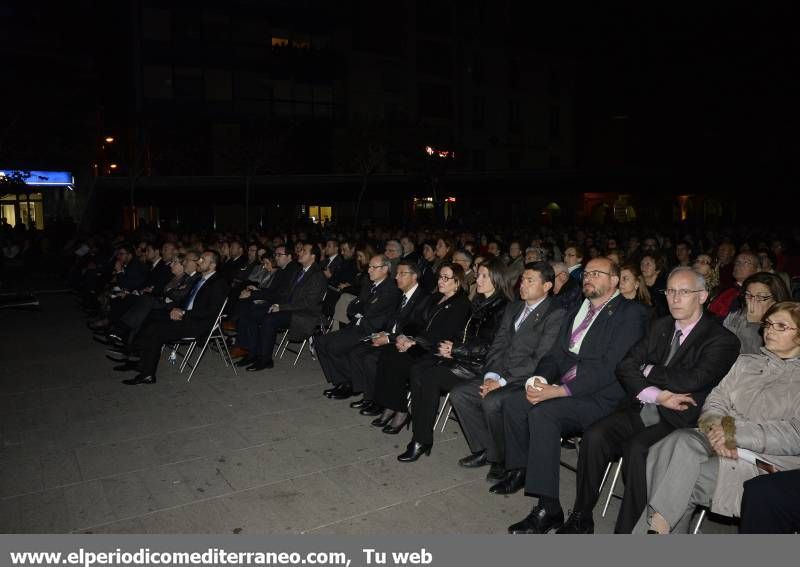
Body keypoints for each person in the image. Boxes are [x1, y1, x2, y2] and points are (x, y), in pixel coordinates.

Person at [557, 267, 741, 534]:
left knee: (638, 450)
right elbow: (624, 366)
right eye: (670, 291)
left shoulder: (721, 339)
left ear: (702, 296)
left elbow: (693, 380)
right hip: (645, 404)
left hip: (679, 419)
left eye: (684, 292)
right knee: (595, 436)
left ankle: (628, 532)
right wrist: (658, 394)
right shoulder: (661, 325)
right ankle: (581, 515)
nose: (675, 298)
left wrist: (649, 370)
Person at [499, 257, 648, 534]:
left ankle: (548, 509)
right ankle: (529, 481)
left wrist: (558, 391)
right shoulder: (578, 308)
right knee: (517, 402)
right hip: (567, 389)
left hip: (603, 397)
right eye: (586, 272)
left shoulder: (630, 313)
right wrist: (540, 380)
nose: (588, 277)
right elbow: (555, 354)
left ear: (615, 280)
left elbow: (611, 367)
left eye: (596, 273)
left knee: (543, 413)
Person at [634, 301, 800, 534]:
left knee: (674, 473)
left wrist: (736, 435)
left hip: (762, 461)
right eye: (769, 324)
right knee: (675, 442)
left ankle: (655, 531)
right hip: (719, 436)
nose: (770, 330)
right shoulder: (745, 363)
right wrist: (723, 432)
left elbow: (794, 433)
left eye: (781, 326)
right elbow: (715, 401)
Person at [450, 262, 565, 480]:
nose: (523, 284)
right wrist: (491, 376)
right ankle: (488, 450)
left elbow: (539, 359)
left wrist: (501, 382)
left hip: (525, 379)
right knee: (460, 394)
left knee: (492, 401)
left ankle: (504, 461)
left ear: (547, 285)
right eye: (522, 279)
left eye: (530, 280)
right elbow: (498, 345)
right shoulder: (513, 307)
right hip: (500, 374)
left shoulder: (555, 314)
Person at [397, 258, 511, 462]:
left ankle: (421, 440)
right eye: (479, 274)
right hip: (464, 358)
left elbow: (492, 346)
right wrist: (452, 347)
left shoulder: (503, 307)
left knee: (430, 376)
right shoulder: (480, 301)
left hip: (480, 367)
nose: (479, 278)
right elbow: (465, 333)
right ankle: (419, 431)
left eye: (484, 275)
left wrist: (456, 349)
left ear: (497, 278)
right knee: (418, 369)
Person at [371, 263, 472, 434]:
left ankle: (401, 411)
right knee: (388, 353)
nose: (440, 280)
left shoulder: (461, 305)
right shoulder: (434, 298)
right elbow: (415, 322)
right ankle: (390, 404)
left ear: (457, 282)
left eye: (446, 278)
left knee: (398, 360)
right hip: (419, 344)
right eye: (440, 276)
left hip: (434, 351)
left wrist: (414, 342)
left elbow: (443, 335)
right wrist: (405, 336)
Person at [122, 250, 229, 385]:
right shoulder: (201, 279)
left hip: (197, 324)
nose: (199, 261)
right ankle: (140, 361)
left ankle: (147, 374)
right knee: (151, 317)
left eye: (203, 260)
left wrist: (184, 313)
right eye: (200, 258)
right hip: (186, 317)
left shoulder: (218, 283)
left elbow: (211, 312)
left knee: (157, 330)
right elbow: (188, 300)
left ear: (213, 265)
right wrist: (177, 309)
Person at [316, 254, 400, 399]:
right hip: (358, 325)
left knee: (334, 346)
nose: (369, 270)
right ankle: (343, 381)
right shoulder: (369, 283)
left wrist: (362, 308)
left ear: (385, 269)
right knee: (321, 342)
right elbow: (352, 308)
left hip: (372, 330)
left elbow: (368, 310)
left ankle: (350, 384)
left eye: (374, 267)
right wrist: (362, 308)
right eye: (369, 267)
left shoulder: (391, 288)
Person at [235, 243, 326, 371]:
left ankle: (265, 359)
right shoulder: (300, 270)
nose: (299, 253)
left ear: (313, 256)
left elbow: (307, 304)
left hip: (303, 313)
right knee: (251, 314)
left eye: (304, 251)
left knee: (269, 319)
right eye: (300, 251)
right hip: (288, 307)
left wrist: (281, 307)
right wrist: (276, 303)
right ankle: (252, 353)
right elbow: (285, 293)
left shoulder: (317, 275)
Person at [723, 272, 791, 354]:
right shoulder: (735, 316)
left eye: (760, 297)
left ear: (776, 300)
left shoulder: (784, 326)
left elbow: (757, 359)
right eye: (749, 295)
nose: (753, 301)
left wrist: (753, 325)